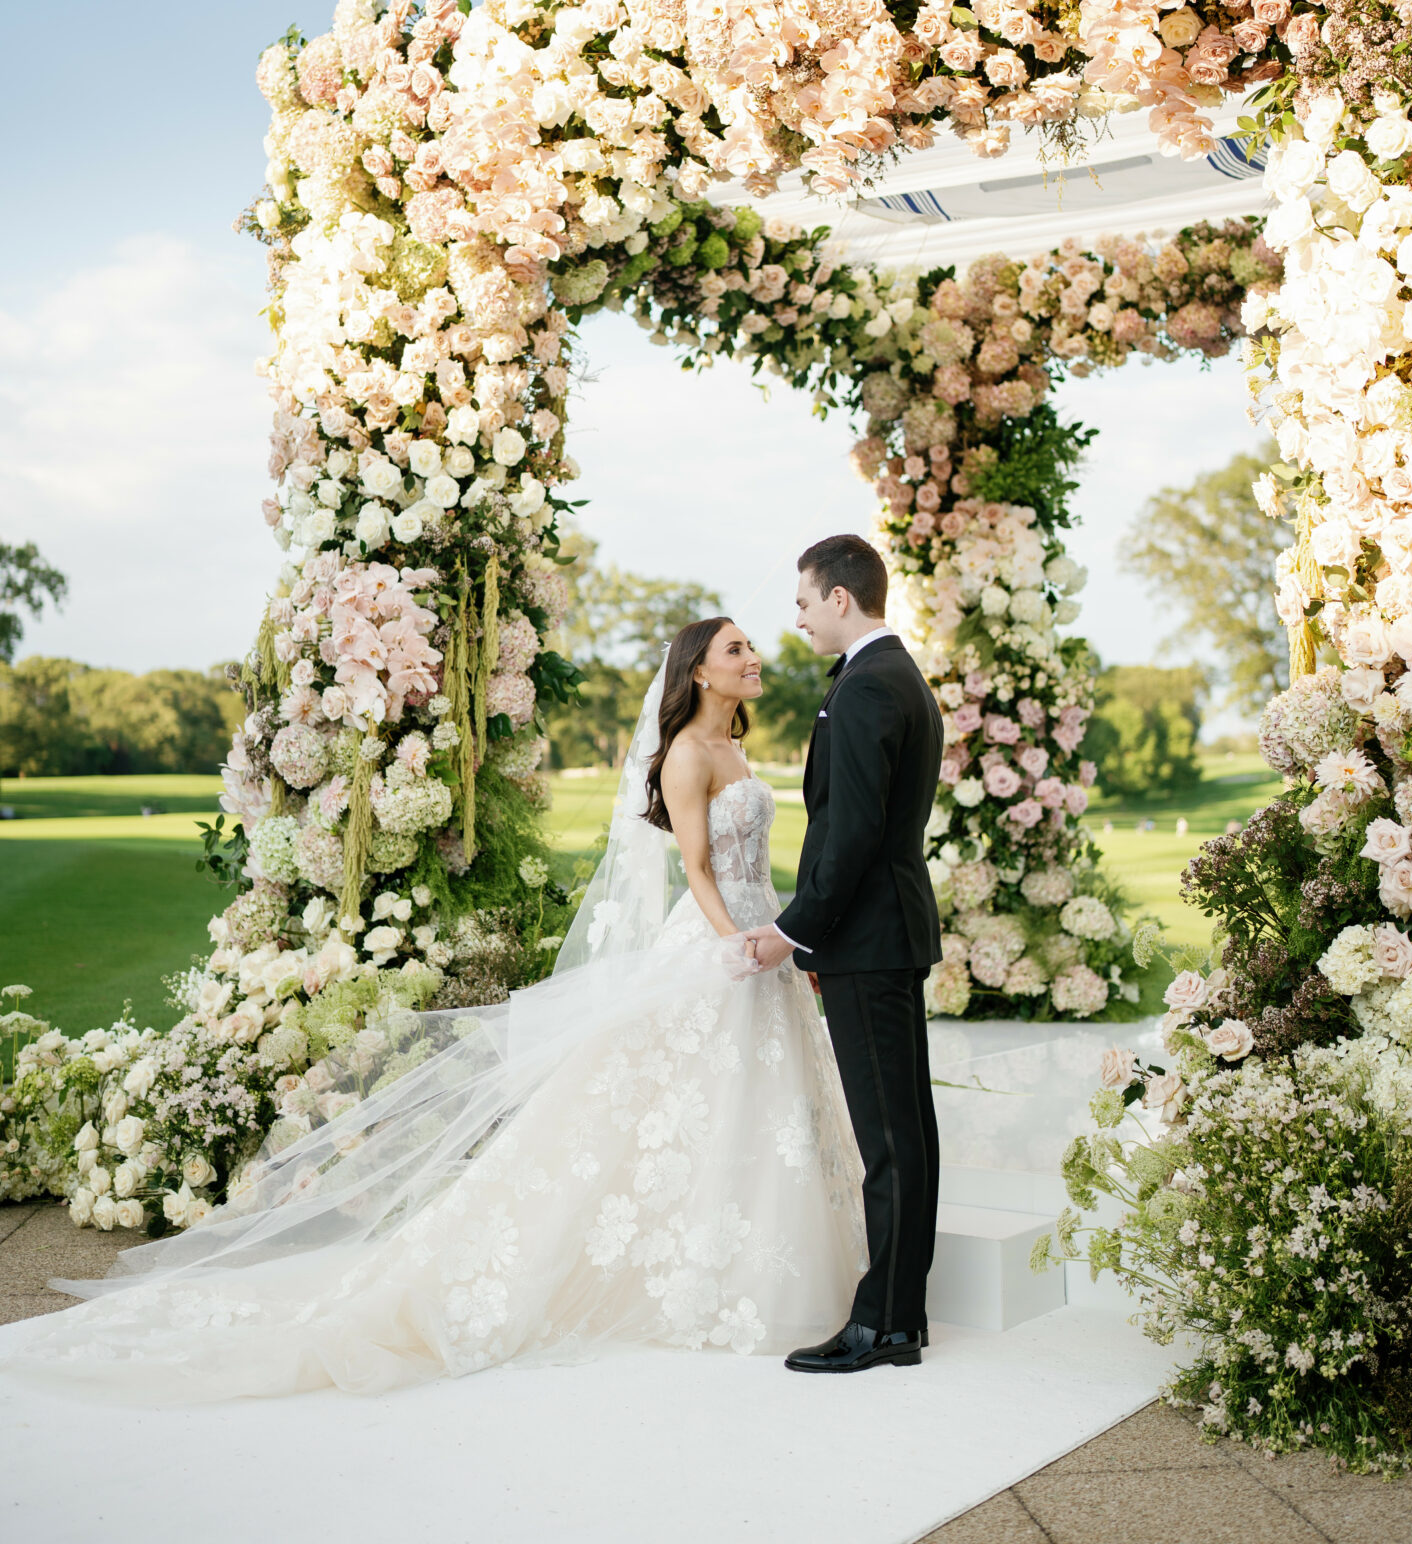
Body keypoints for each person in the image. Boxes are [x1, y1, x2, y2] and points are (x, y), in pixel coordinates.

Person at [7, 618, 865, 1402]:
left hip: (766, 943)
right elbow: (700, 873)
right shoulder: (685, 754)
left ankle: (734, 1257)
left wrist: (779, 938)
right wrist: (735, 947)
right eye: (736, 652)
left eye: (750, 648)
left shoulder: (739, 747)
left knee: (745, 1111)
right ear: (700, 674)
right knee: (676, 1106)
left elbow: (749, 863)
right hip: (724, 947)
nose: (753, 659)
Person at [748, 534, 944, 1375]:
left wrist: (796, 929)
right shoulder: (890, 677)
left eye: (801, 602)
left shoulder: (868, 688)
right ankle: (900, 1313)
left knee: (891, 1141)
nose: (794, 619)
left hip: (866, 939)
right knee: (906, 1130)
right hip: (884, 934)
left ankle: (883, 1324)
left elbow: (852, 831)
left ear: (839, 598)